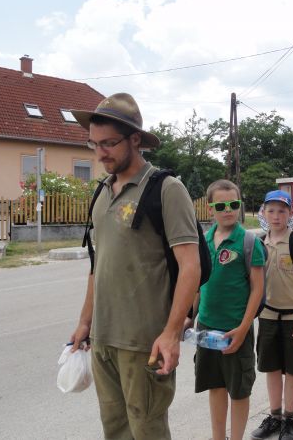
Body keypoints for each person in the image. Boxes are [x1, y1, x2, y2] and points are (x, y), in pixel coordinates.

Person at [68, 93, 201, 439]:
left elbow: (191, 266)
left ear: (135, 139)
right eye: (93, 144)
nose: (100, 153)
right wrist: (85, 322)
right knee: (114, 430)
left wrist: (172, 334)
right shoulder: (101, 192)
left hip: (146, 342)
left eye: (109, 143)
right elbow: (99, 265)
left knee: (147, 430)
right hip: (102, 338)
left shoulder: (167, 190)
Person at [193, 179, 265, 440]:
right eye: (221, 205)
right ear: (210, 208)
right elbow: (198, 286)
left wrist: (244, 328)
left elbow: (257, 290)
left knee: (239, 390)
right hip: (207, 328)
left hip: (236, 328)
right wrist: (190, 321)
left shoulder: (248, 241)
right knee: (215, 386)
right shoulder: (203, 241)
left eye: (233, 204)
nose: (228, 210)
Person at [251, 190, 293, 440]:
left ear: (290, 213)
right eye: (271, 210)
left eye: (281, 211)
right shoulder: (258, 242)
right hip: (267, 316)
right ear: (263, 213)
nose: (276, 216)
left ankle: (289, 420)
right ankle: (275, 417)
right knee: (271, 369)